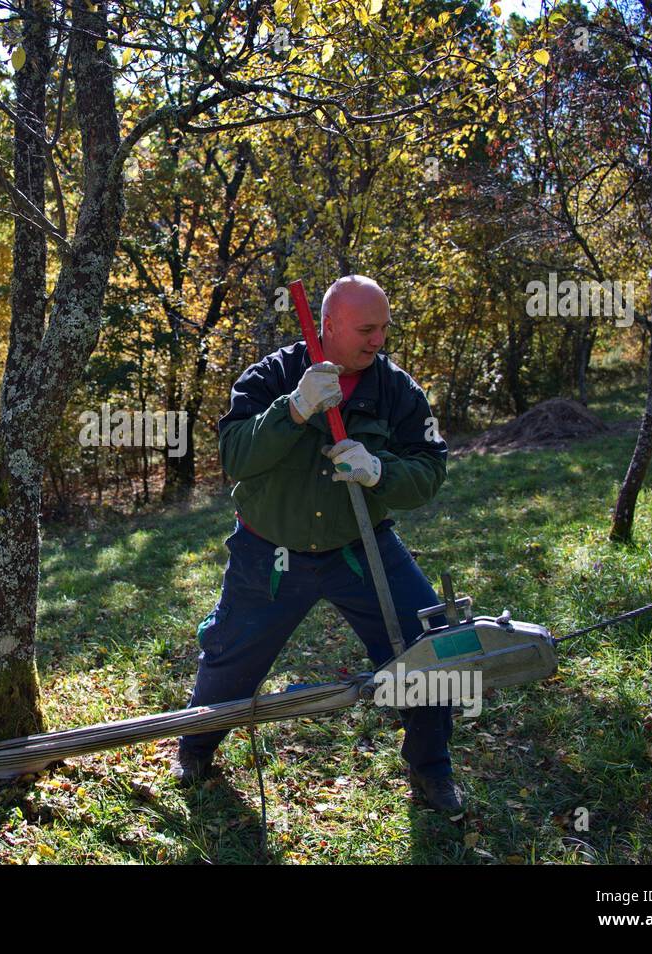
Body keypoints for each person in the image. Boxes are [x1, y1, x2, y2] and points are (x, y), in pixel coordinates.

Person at [173, 275, 463, 816]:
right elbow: (235, 457)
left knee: (426, 648)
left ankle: (432, 768)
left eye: (384, 329)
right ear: (327, 326)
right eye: (366, 329)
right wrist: (295, 410)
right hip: (271, 552)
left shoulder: (396, 391)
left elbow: (430, 468)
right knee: (230, 658)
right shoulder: (271, 377)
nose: (378, 341)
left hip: (360, 546)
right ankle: (195, 747)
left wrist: (379, 470)